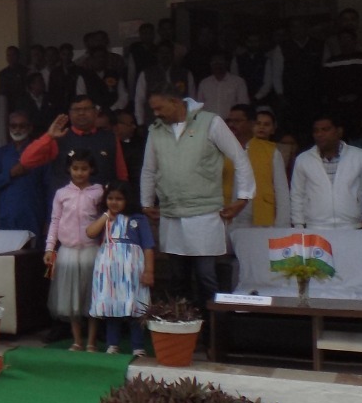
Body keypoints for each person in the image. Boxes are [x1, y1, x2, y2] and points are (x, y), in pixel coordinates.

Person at [140, 92, 253, 313]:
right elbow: (149, 169)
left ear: (174, 102)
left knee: (205, 276)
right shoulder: (156, 129)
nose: (155, 113)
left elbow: (239, 157)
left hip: (205, 212)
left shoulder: (210, 122)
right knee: (177, 276)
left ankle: (213, 329)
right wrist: (146, 203)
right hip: (172, 212)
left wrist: (243, 198)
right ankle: (182, 326)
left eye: (159, 108)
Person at [86, 182, 155, 358]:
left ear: (127, 200)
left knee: (135, 307)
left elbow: (148, 246)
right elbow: (90, 232)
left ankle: (138, 346)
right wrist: (105, 216)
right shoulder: (105, 219)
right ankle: (112, 344)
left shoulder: (138, 219)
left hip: (132, 270)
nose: (114, 202)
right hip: (109, 270)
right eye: (110, 198)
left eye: (119, 199)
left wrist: (149, 271)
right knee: (112, 305)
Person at [45, 152, 103, 351]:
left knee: (92, 297)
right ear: (69, 169)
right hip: (68, 251)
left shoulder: (99, 192)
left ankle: (92, 341)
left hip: (91, 250)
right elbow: (55, 221)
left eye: (84, 168)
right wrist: (50, 247)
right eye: (75, 168)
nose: (79, 173)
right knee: (72, 298)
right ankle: (77, 340)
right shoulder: (62, 194)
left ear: (91, 169)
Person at [19, 95, 128, 197]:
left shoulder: (110, 138)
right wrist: (49, 136)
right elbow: (26, 161)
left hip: (102, 206)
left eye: (86, 109)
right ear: (69, 114)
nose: (81, 113)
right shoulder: (59, 138)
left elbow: (122, 175)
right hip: (66, 207)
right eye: (76, 110)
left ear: (96, 112)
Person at [290, 115, 362, 230]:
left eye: (325, 129)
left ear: (339, 132)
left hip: (352, 226)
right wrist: (298, 225)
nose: (319, 134)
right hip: (315, 227)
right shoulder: (303, 159)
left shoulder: (359, 156)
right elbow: (297, 194)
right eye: (316, 131)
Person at [222, 104, 289, 229]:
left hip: (260, 224)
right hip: (226, 220)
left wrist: (282, 227)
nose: (231, 125)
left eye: (237, 121)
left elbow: (282, 193)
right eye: (229, 121)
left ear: (251, 123)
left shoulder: (271, 152)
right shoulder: (220, 149)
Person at [0, 111, 47, 236]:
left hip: (33, 216)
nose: (17, 129)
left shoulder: (40, 152)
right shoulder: (1, 153)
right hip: (7, 216)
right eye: (13, 126)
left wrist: (49, 220)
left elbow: (49, 187)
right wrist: (10, 174)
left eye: (22, 126)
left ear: (30, 128)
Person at [196, 54, 248, 120]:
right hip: (209, 122)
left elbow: (243, 105)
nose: (217, 65)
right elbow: (199, 106)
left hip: (231, 122)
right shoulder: (204, 83)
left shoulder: (238, 82)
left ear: (226, 63)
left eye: (220, 63)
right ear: (211, 65)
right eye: (215, 63)